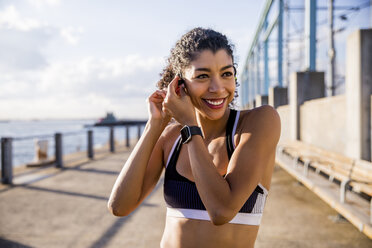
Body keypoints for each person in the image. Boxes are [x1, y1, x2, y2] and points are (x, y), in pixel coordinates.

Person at [108, 27, 281, 248]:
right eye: (202, 76)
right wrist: (155, 125)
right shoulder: (170, 138)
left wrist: (190, 126)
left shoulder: (257, 123)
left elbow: (221, 211)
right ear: (179, 84)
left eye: (226, 74)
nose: (218, 88)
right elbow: (119, 206)